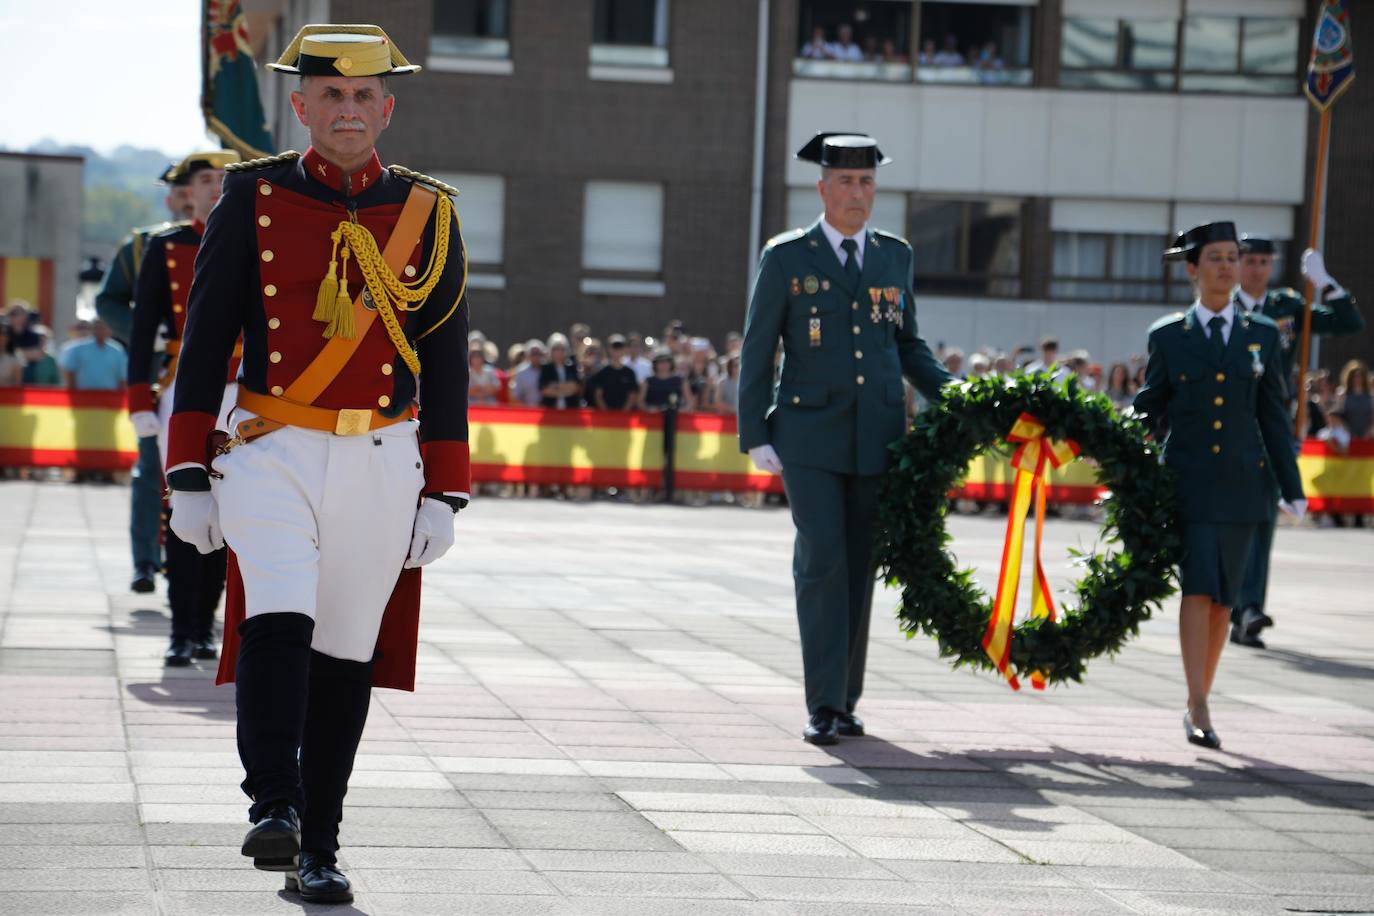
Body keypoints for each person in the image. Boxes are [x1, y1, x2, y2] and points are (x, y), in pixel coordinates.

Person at [163, 25, 470, 904]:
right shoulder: (251, 199)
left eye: (364, 96)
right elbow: (205, 341)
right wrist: (187, 470)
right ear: (300, 107)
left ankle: (320, 847)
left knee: (343, 655)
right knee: (278, 621)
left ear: (387, 107)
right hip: (272, 447)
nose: (348, 109)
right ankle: (273, 804)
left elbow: (443, 358)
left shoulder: (429, 211)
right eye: (330, 95)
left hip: (380, 455)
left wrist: (446, 488)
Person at [738, 133, 950, 746]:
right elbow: (758, 346)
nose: (859, 194)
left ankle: (846, 700)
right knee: (823, 557)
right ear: (823, 187)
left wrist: (955, 395)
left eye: (867, 183)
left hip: (879, 434)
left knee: (859, 565)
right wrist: (755, 431)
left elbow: (907, 343)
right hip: (808, 434)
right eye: (848, 182)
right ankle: (824, 703)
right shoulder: (787, 256)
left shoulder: (894, 256)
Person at [1133, 222, 1304, 750]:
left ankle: (1197, 697)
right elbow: (1149, 403)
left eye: (1233, 257)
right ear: (1192, 268)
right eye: (1216, 258)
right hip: (1188, 482)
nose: (1228, 266)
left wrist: (1291, 486)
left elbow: (1272, 415)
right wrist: (1111, 437)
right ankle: (1200, 702)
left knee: (1224, 602)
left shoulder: (1262, 335)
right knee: (1199, 587)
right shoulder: (1168, 336)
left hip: (1243, 485)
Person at [127, 150, 240, 665]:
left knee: (229, 510)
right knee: (182, 502)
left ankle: (205, 628)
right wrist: (137, 399)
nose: (216, 187)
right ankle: (180, 628)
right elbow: (143, 325)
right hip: (182, 386)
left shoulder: (255, 237)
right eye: (205, 179)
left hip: (245, 391)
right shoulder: (166, 246)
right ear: (186, 191)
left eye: (224, 179)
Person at [1229, 235, 1363, 648]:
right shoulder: (1223, 307)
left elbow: (1347, 323)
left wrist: (1326, 283)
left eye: (1264, 262)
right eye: (1250, 261)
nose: (1257, 269)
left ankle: (1250, 607)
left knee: (1265, 516)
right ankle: (1231, 605)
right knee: (1231, 520)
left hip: (1272, 425)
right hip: (1230, 425)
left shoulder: (1285, 307)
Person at [97, 162, 193, 594]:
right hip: (160, 369)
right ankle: (145, 561)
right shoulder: (142, 245)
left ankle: (195, 566)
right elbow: (108, 301)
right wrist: (142, 329)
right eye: (181, 191)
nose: (187, 198)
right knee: (151, 468)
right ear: (171, 197)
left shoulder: (230, 235)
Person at [61, 317, 126, 391]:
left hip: (109, 397)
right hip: (84, 396)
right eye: (98, 327)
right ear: (92, 329)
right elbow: (69, 372)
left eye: (104, 327)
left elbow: (122, 376)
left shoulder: (117, 350)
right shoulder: (78, 349)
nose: (101, 330)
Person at [589, 335, 640, 411]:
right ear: (609, 349)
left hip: (625, 416)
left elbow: (632, 395)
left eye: (620, 347)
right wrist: (608, 413)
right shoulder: (602, 372)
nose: (617, 350)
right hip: (606, 417)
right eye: (614, 347)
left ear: (624, 350)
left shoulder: (630, 372)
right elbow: (598, 395)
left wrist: (624, 412)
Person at [539, 332, 581, 408]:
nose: (559, 352)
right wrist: (565, 388)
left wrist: (554, 386)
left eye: (562, 349)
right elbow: (544, 390)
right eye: (555, 349)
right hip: (551, 410)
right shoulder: (546, 368)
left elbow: (575, 388)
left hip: (570, 410)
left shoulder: (572, 366)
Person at [1336, 359, 1371, 439]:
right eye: (1354, 376)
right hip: (1347, 436)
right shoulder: (1342, 395)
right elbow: (1338, 417)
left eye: (1359, 376)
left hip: (1367, 437)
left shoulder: (1370, 397)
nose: (1357, 379)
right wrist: (1348, 432)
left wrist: (1368, 432)